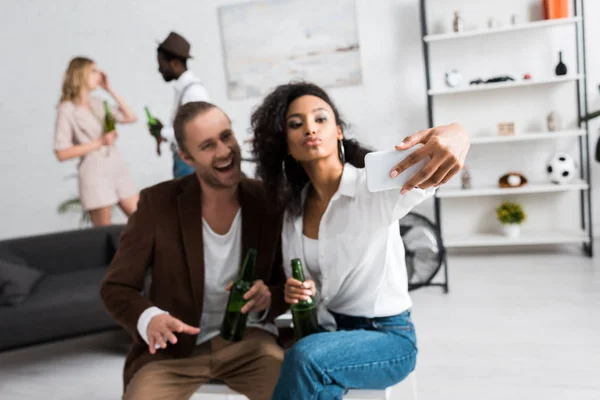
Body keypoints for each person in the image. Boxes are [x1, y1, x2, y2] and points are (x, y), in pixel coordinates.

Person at [250, 82, 470, 399]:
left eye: (320, 119)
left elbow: (437, 159)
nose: (310, 128)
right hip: (329, 333)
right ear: (286, 144)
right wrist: (301, 290)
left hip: (386, 339)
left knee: (306, 356)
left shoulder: (372, 187)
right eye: (295, 124)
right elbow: (315, 285)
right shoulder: (292, 213)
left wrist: (457, 132)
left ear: (338, 131)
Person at [100, 101, 288, 400]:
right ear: (186, 156)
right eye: (208, 145)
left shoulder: (267, 201)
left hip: (250, 343)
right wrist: (150, 318)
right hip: (174, 351)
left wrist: (267, 298)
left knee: (296, 392)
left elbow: (284, 285)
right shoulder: (156, 204)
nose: (224, 151)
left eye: (226, 137)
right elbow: (117, 287)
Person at [54, 56, 139, 226]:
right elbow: (62, 153)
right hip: (94, 173)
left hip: (116, 167)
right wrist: (100, 142)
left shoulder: (98, 103)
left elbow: (130, 117)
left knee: (143, 221)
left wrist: (109, 90)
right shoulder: (67, 109)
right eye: (93, 71)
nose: (99, 75)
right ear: (80, 74)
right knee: (103, 233)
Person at [149, 31, 211, 178]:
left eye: (161, 64)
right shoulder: (184, 89)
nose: (159, 70)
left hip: (190, 164)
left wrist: (162, 131)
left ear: (175, 63)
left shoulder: (194, 92)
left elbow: (195, 133)